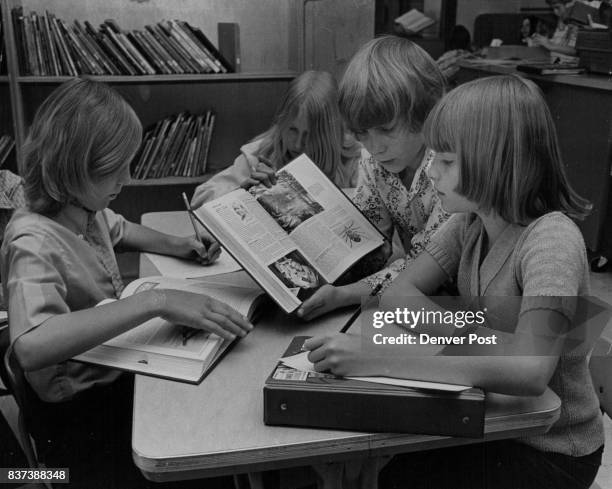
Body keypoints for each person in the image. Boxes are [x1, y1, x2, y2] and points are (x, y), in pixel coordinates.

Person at [304, 75, 604, 489]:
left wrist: (376, 358)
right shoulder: (468, 225)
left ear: (495, 162)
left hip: (550, 449)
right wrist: (486, 340)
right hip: (493, 416)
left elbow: (530, 372)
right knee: (380, 462)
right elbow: (396, 296)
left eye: (445, 161)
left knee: (395, 475)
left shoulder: (553, 239)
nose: (429, 172)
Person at [1, 78, 252, 488]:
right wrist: (154, 301)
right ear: (77, 169)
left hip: (110, 371)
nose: (129, 178)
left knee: (206, 399)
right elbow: (30, 346)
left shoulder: (81, 202)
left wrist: (179, 244)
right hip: (80, 410)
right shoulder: (32, 239)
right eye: (117, 169)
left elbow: (120, 230)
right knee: (195, 446)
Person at [297, 36, 449, 321]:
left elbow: (424, 268)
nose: (374, 147)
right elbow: (370, 244)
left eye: (386, 129)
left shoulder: (449, 166)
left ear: (425, 113)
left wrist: (345, 294)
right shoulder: (374, 159)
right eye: (361, 133)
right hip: (408, 301)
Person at [191, 70, 361, 207]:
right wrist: (242, 194)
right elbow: (199, 199)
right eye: (292, 130)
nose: (297, 144)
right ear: (282, 123)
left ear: (329, 135)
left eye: (310, 135)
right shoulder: (262, 153)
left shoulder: (356, 160)